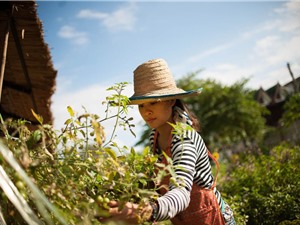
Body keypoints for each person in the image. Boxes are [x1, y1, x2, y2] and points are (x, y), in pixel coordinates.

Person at [99, 58, 236, 225]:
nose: (146, 111)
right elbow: (157, 182)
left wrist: (147, 212)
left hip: (211, 218)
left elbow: (181, 191)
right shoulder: (154, 137)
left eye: (153, 102)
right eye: (141, 105)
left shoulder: (185, 138)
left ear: (171, 100)